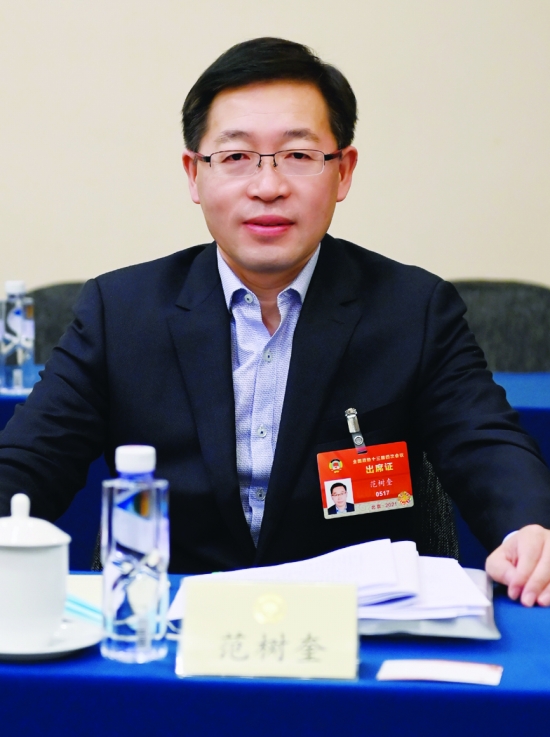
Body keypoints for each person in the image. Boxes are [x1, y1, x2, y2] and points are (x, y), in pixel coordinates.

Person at [1, 37, 550, 607]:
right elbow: (31, 459)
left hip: (359, 627)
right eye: (236, 157)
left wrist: (529, 528)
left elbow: (484, 442)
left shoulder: (413, 309)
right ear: (193, 174)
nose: (268, 187)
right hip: (172, 630)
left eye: (298, 155)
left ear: (343, 172)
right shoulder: (120, 312)